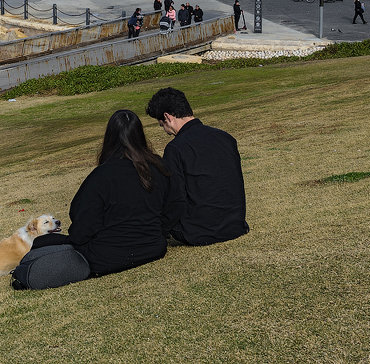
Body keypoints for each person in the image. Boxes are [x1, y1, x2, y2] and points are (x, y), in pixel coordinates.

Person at [17, 110, 175, 289]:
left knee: (43, 242)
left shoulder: (101, 177)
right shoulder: (158, 167)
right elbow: (173, 208)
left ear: (110, 139)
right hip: (153, 247)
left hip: (105, 257)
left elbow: (81, 228)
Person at [145, 87, 249, 246]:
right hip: (234, 224)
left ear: (168, 117)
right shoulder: (225, 138)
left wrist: (160, 228)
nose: (166, 131)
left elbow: (175, 199)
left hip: (200, 231)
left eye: (162, 125)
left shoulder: (175, 149)